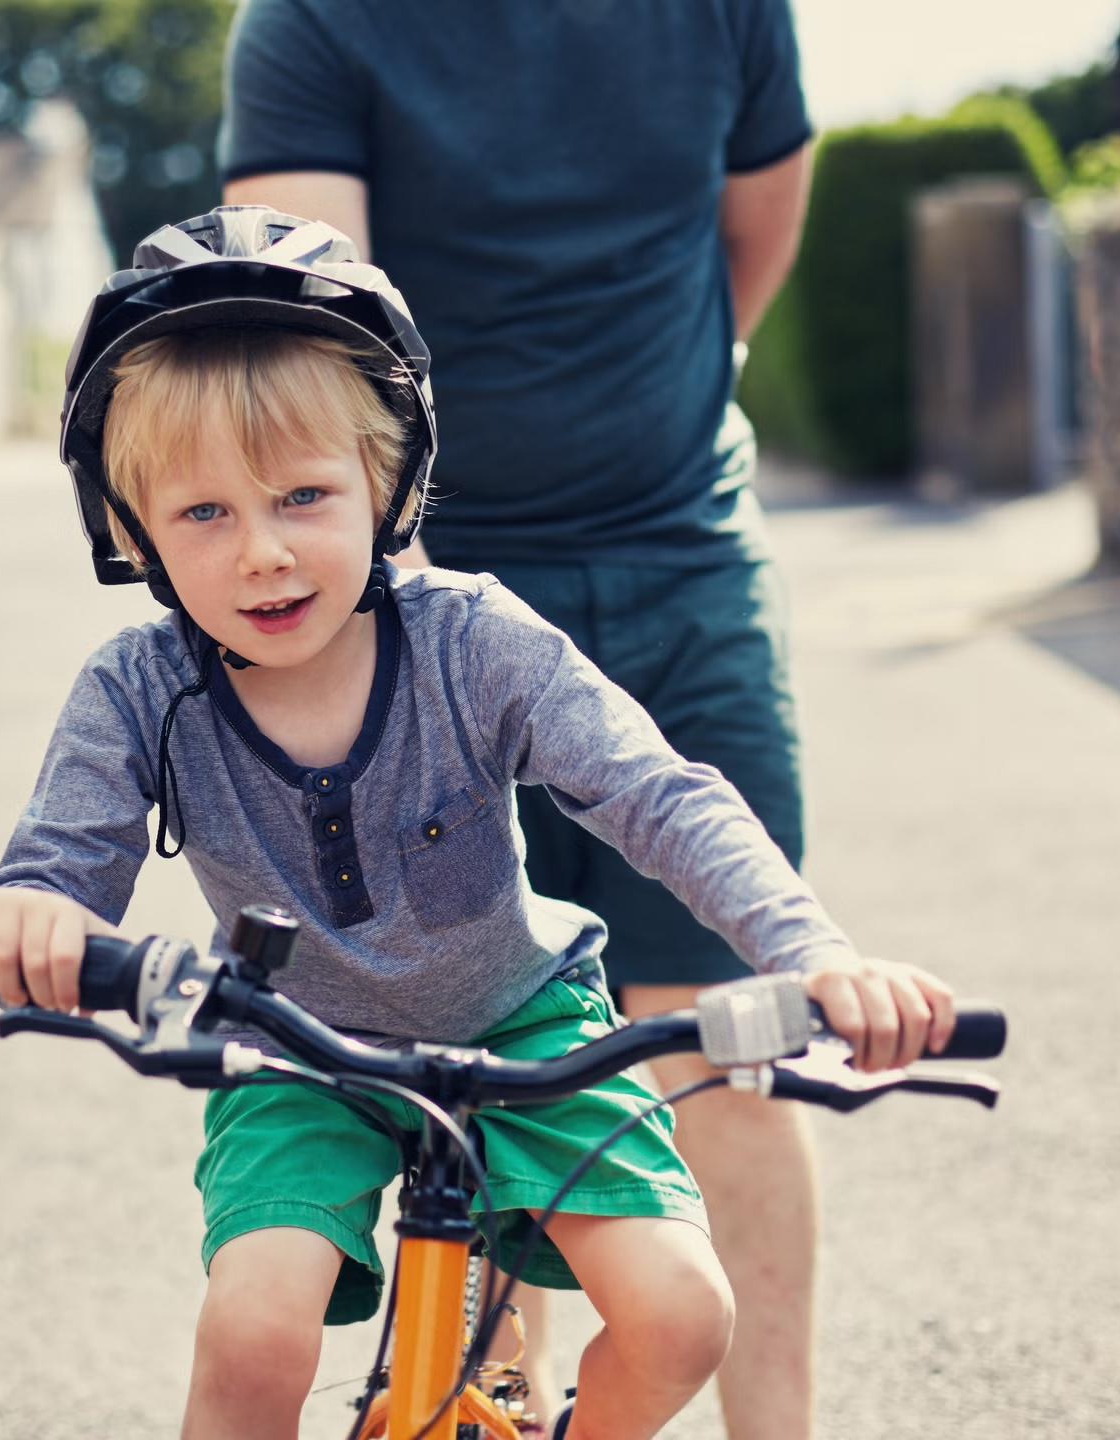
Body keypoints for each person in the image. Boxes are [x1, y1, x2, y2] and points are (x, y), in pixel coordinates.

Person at [0, 208, 954, 1440]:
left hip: (525, 1027)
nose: (264, 553)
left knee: (684, 1314)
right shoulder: (139, 691)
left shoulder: (474, 644)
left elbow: (659, 794)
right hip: (292, 1051)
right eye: (203, 515)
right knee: (254, 1330)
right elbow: (63, 860)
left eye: (303, 495)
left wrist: (815, 954)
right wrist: (39, 911)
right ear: (132, 532)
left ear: (388, 482)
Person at [217, 3, 821, 1433]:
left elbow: (755, 239)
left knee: (723, 1025)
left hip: (685, 556)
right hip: (425, 591)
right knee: (470, 1020)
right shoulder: (314, 22)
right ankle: (483, 1392)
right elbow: (317, 322)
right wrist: (399, 574)